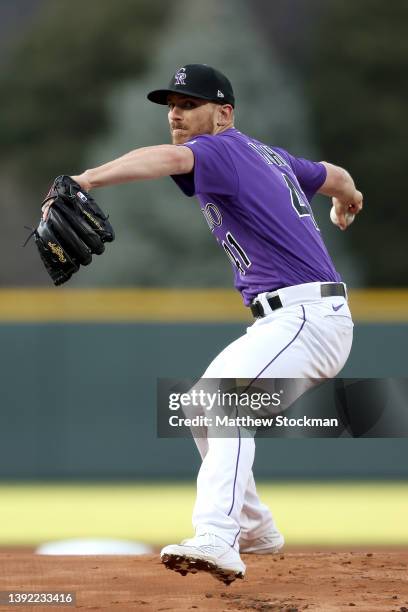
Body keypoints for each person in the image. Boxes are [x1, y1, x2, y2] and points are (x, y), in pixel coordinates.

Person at [50, 64, 363, 584]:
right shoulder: (271, 156)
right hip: (300, 317)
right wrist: (347, 197)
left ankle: (218, 536)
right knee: (202, 403)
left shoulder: (221, 148)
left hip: (305, 317)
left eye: (189, 104)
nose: (176, 115)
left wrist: (85, 180)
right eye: (171, 106)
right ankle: (256, 529)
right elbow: (332, 174)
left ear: (224, 113)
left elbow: (169, 158)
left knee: (221, 401)